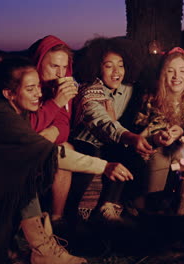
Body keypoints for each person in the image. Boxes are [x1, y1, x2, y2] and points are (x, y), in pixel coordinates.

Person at [0, 56, 133, 264]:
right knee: (22, 168)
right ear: (9, 93)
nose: (39, 94)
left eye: (38, 87)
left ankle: (27, 246)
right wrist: (104, 166)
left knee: (20, 166)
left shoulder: (2, 106)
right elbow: (49, 153)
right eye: (30, 89)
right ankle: (40, 247)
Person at [67, 37, 154, 223]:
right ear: (97, 67)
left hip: (111, 144)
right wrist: (129, 137)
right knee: (95, 151)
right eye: (109, 66)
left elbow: (152, 104)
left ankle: (110, 206)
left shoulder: (129, 88)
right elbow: (101, 121)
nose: (116, 72)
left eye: (120, 65)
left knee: (129, 154)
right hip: (85, 143)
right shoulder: (88, 90)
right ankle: (70, 215)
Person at [134, 47, 184, 193]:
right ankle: (152, 206)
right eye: (170, 71)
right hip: (154, 148)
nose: (176, 76)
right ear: (163, 74)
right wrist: (156, 137)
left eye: (182, 71)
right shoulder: (150, 99)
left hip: (182, 148)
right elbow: (137, 131)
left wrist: (182, 132)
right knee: (159, 157)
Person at [28, 35, 78, 224]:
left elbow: (64, 124)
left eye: (64, 67)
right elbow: (27, 127)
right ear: (39, 63)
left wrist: (53, 132)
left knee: (66, 149)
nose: (61, 73)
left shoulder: (59, 87)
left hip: (46, 145)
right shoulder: (27, 86)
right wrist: (56, 102)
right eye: (54, 66)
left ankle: (57, 220)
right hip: (18, 149)